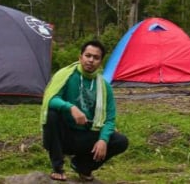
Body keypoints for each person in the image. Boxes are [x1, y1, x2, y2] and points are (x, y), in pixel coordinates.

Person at [40, 40, 128, 181]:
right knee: (52, 114)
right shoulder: (66, 75)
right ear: (80, 57)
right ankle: (57, 167)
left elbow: (110, 118)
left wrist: (103, 140)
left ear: (100, 62)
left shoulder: (104, 86)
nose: (91, 60)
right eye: (88, 55)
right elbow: (50, 99)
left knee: (120, 141)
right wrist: (71, 107)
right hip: (62, 135)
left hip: (86, 134)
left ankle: (82, 166)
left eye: (96, 57)